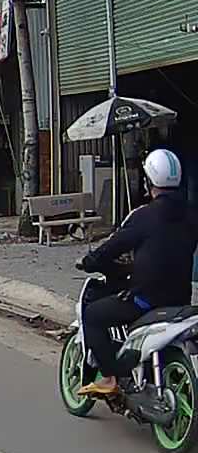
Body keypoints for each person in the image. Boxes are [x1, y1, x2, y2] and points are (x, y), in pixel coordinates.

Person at [77, 148, 198, 397]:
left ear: (148, 181)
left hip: (146, 301)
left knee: (93, 315)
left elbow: (113, 247)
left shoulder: (144, 216)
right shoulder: (191, 215)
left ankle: (110, 378)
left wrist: (90, 261)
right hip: (180, 301)